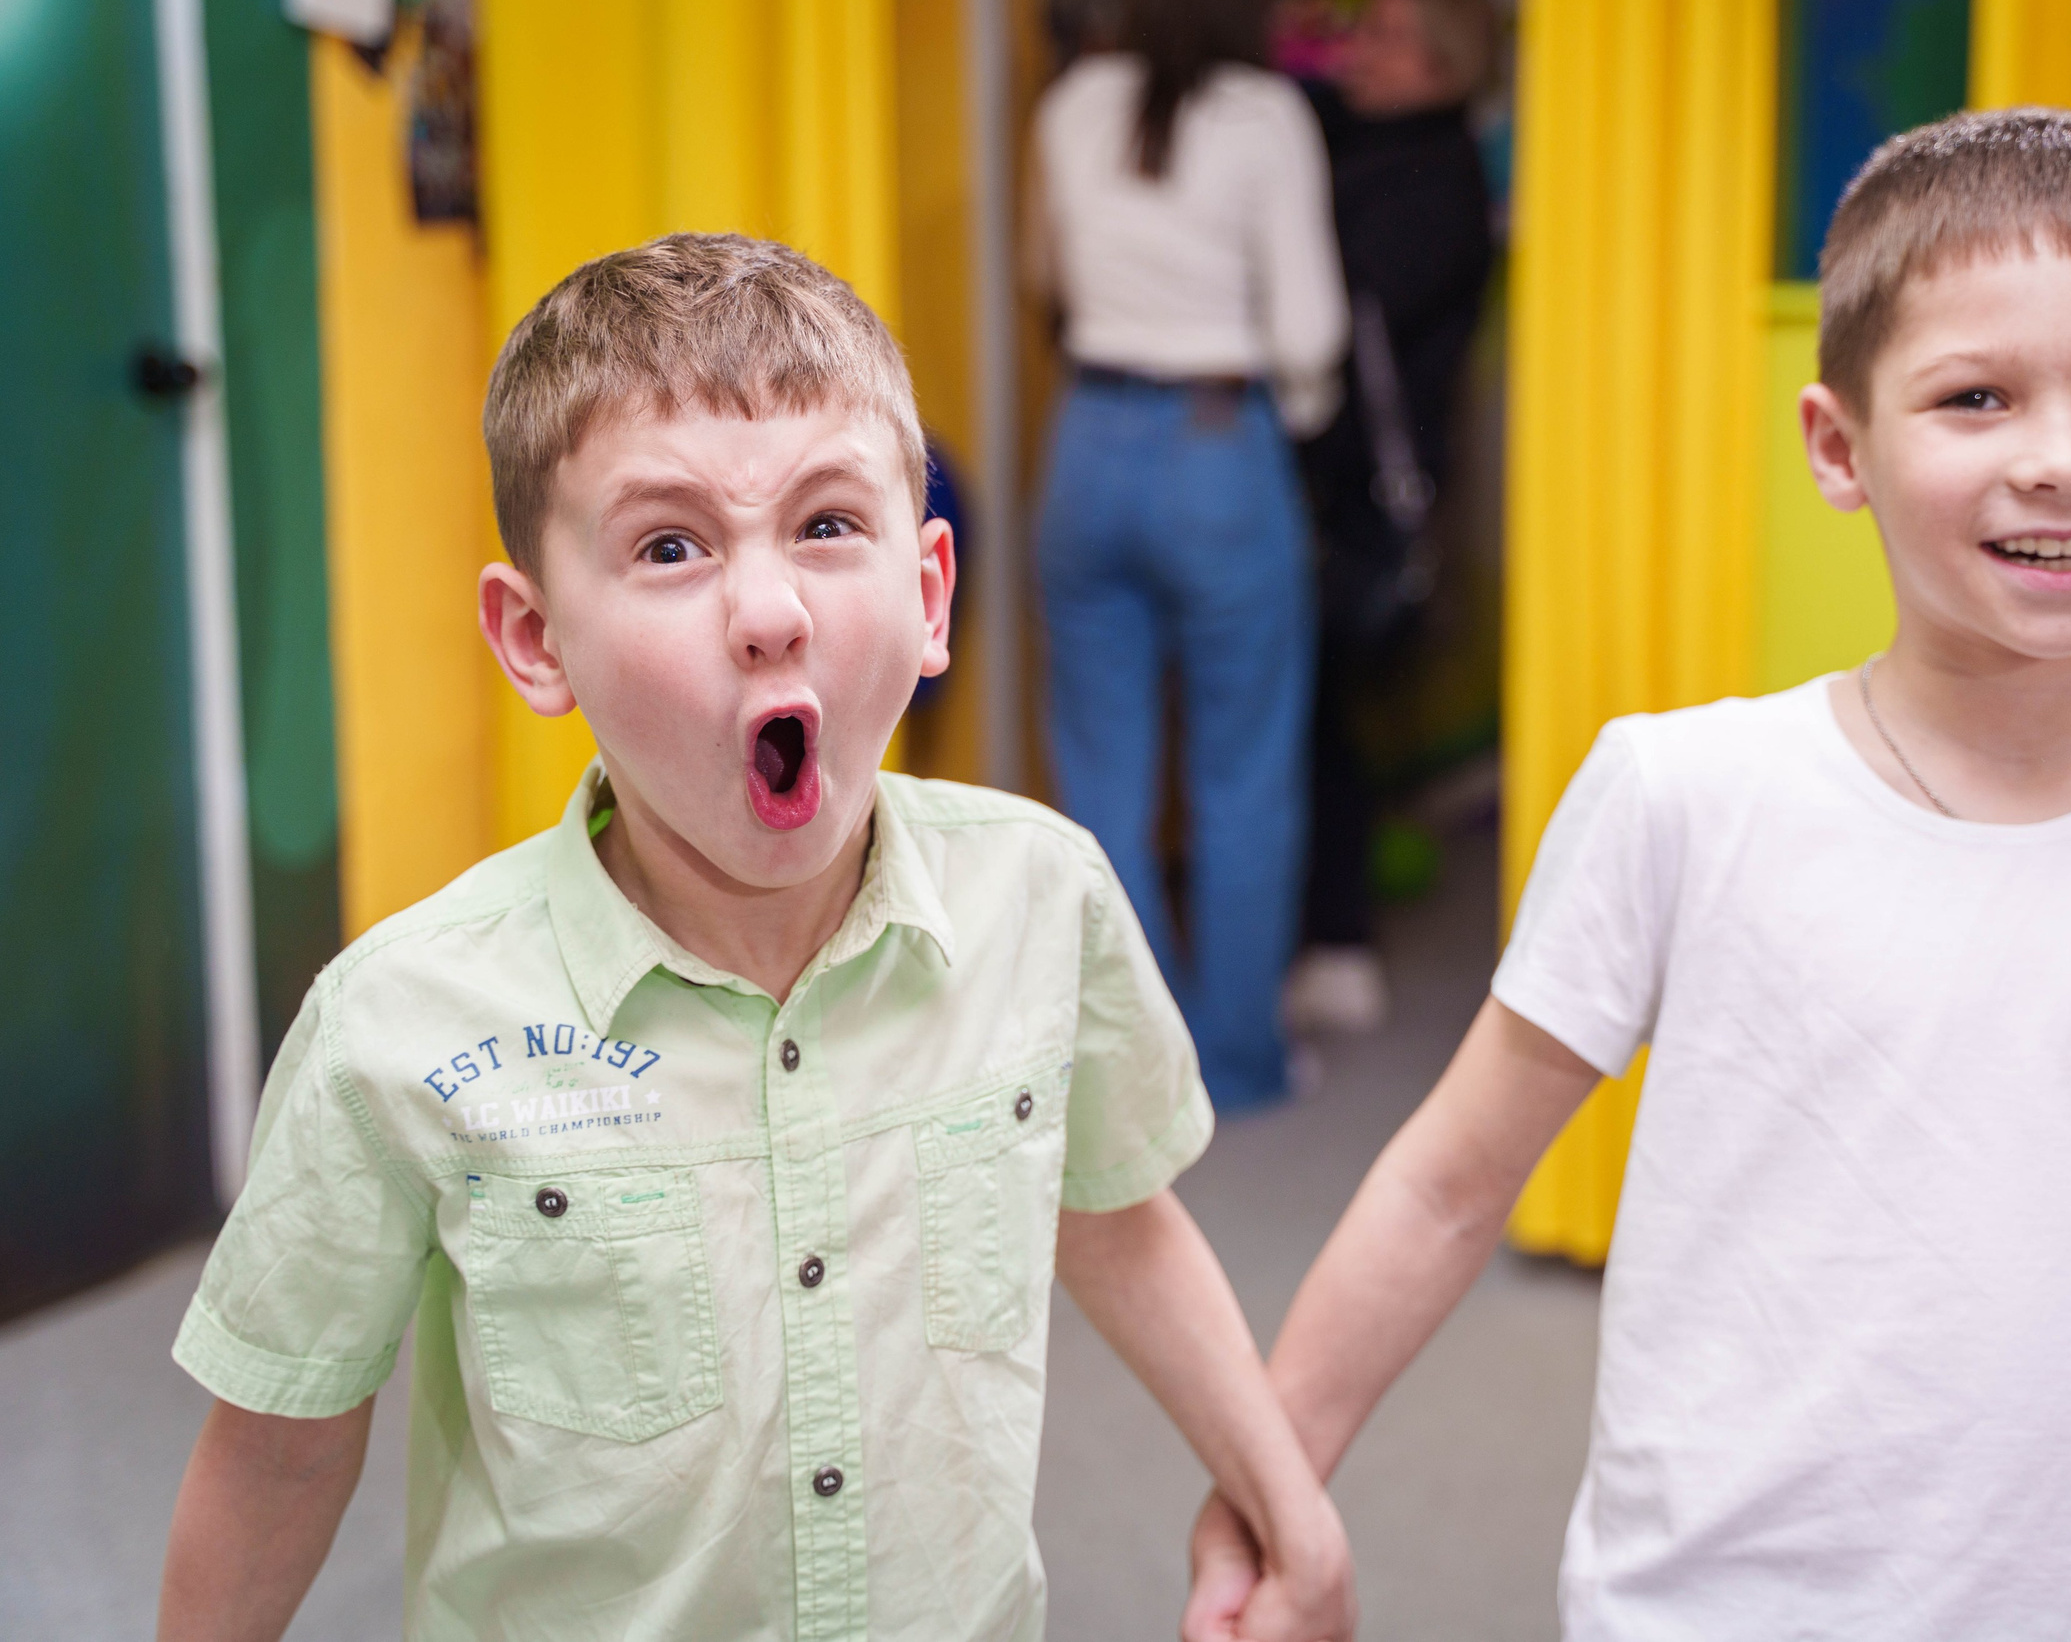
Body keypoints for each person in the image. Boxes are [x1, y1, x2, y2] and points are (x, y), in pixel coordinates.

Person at [1188, 110, 2071, 1636]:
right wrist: (1271, 1500)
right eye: (1976, 398)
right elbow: (1442, 1187)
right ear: (1838, 445)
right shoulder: (1684, 797)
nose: (2062, 459)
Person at [155, 235, 1351, 1642]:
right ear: (536, 638)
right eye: (669, 546)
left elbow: (1119, 1219)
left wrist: (1291, 1503)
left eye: (829, 525)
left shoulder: (1045, 897)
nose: (772, 612)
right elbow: (282, 1441)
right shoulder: (400, 1021)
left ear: (928, 595)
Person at [1029, 0, 1348, 1111]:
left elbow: (1047, 274)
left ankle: (1127, 1077)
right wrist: (1297, 417)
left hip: (1087, 437)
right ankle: (1237, 1063)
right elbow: (1309, 326)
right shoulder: (1265, 117)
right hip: (1218, 439)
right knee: (1243, 771)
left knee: (1102, 774)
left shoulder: (1068, 107)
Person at [1285, 0, 1500, 1041]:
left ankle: (1336, 939)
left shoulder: (1433, 183)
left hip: (1364, 497)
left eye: (1383, 36)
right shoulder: (1377, 147)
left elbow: (1331, 305)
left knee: (1323, 712)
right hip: (1346, 488)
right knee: (1317, 707)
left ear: (1441, 65)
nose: (1355, 51)